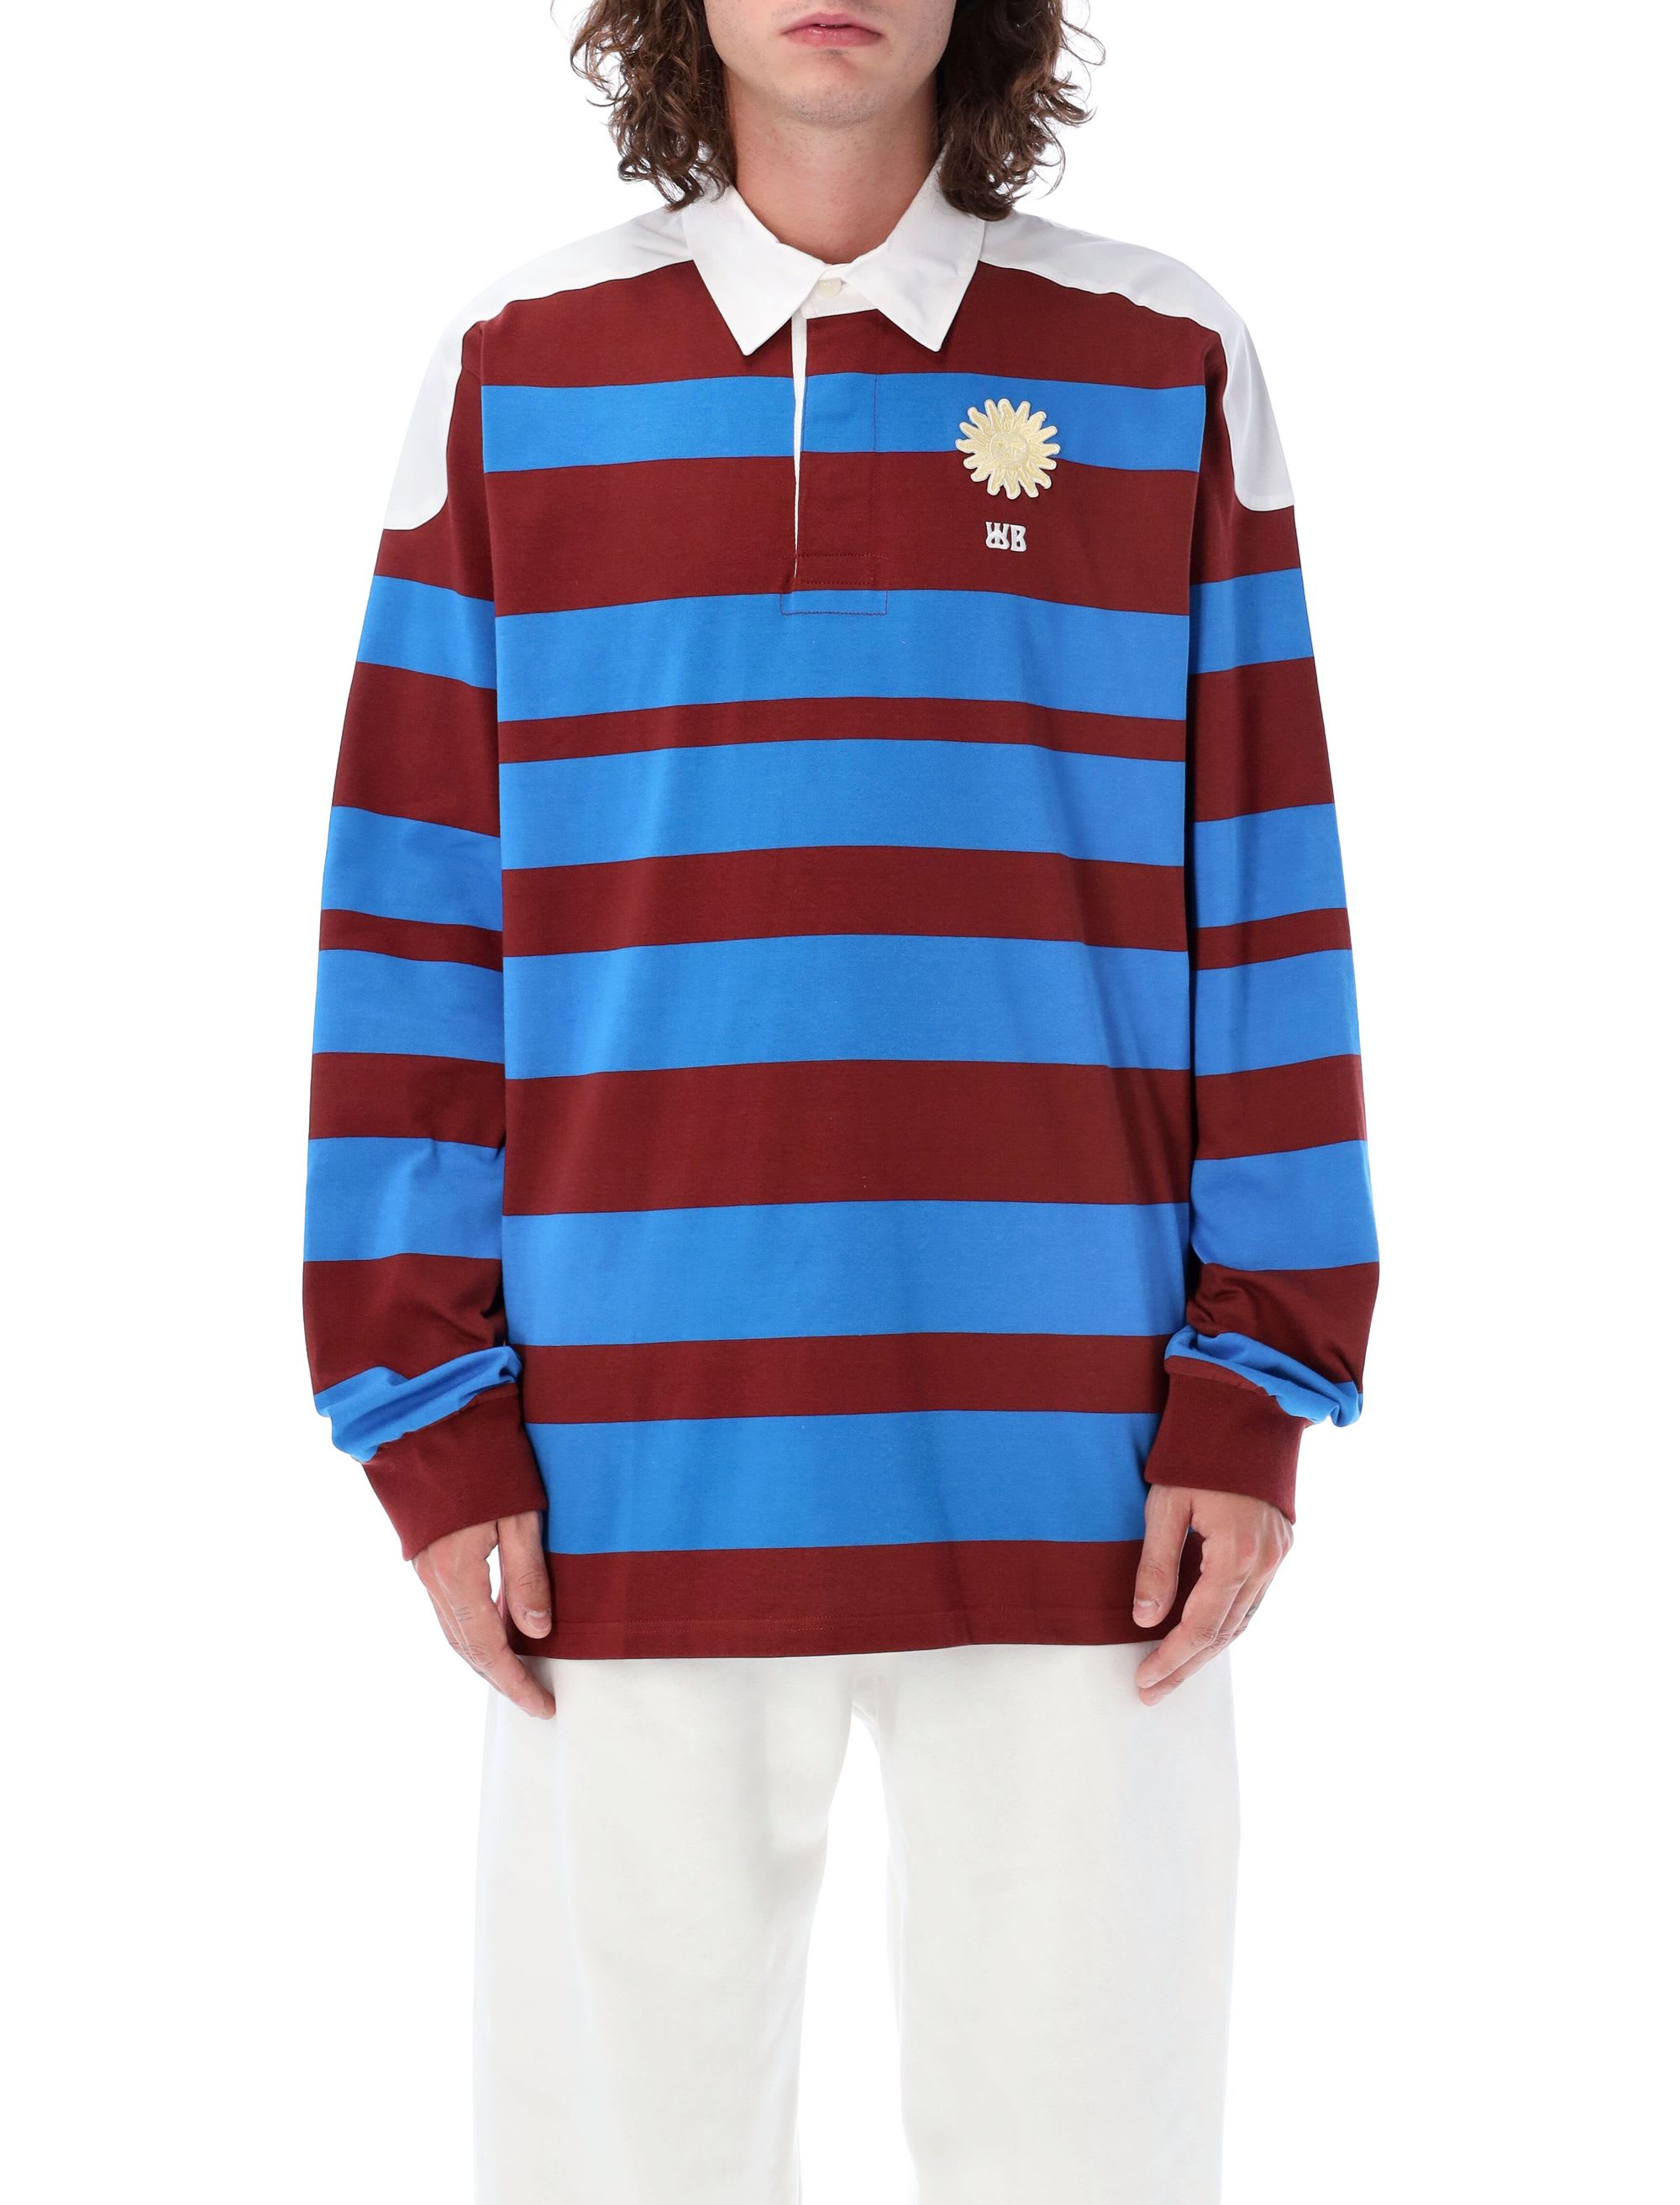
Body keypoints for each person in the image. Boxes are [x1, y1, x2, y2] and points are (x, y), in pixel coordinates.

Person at [303, 3, 1378, 2197]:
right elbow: (413, 914)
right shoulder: (517, 369)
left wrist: (1255, 1374)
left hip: (1086, 1460)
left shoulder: (1160, 360)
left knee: (1092, 2158)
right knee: (615, 2165)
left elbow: (1266, 887)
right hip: (622, 1458)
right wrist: (429, 1409)